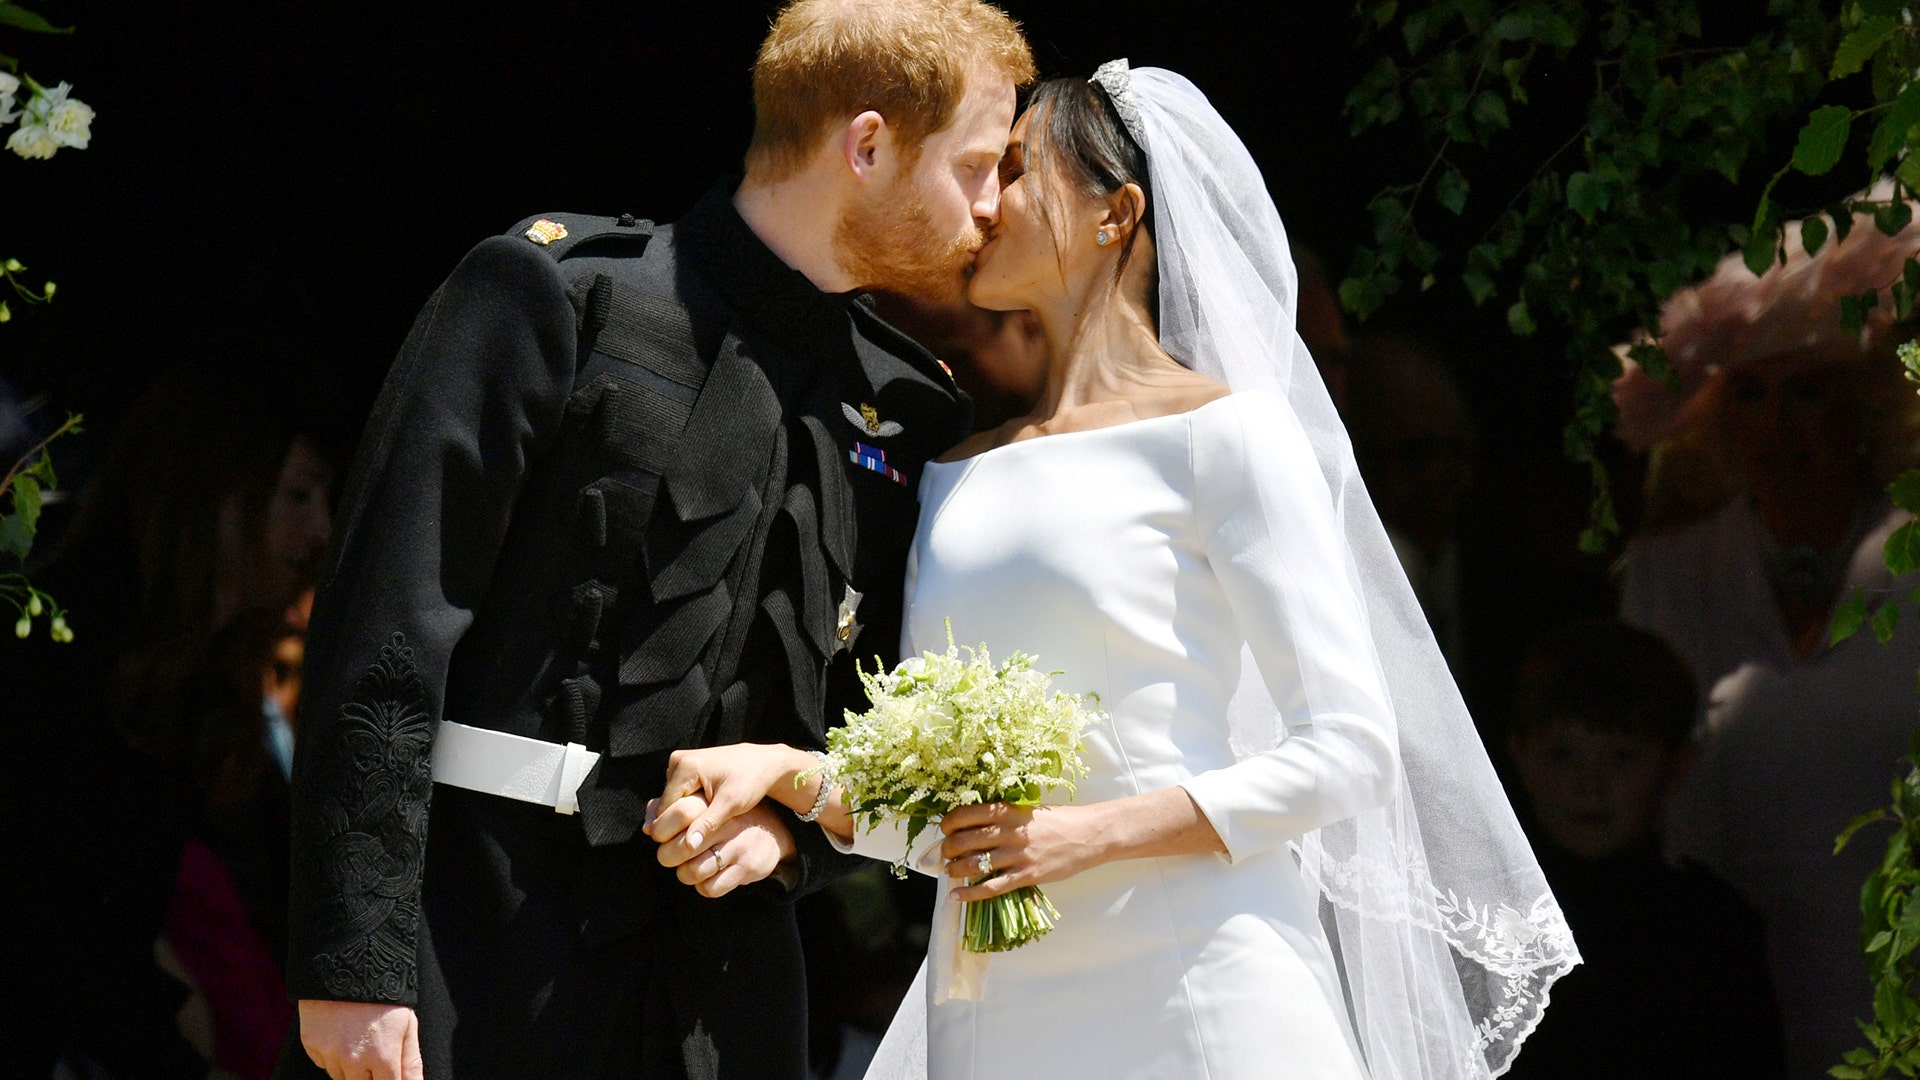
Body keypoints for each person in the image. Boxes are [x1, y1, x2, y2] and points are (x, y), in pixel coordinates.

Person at [645, 62, 1575, 1080]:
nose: (983, 205)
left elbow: (1351, 751)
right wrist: (785, 774)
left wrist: (1086, 835)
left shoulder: (1227, 437)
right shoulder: (954, 472)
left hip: (1203, 987)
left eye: (1013, 173)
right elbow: (950, 828)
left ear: (1114, 214)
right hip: (996, 1011)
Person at [279, 3, 1035, 1079]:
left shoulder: (910, 413)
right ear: (866, 146)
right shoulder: (556, 293)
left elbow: (874, 727)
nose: (993, 207)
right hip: (474, 941)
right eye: (973, 167)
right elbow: (387, 631)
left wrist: (793, 839)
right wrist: (352, 963)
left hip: (723, 999)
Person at [1612, 198, 1920, 1077]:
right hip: (1720, 986)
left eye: (1807, 393)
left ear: (1859, 408)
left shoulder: (1913, 552)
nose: (1777, 426)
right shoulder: (1671, 571)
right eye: (1749, 394)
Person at [2, 361, 336, 1080]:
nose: (321, 531)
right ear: (216, 496)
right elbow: (51, 929)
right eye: (299, 495)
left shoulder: (188, 685)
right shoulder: (67, 662)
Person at [1501, 620, 1784, 1080]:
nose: (1589, 786)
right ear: (1520, 757)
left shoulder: (1712, 929)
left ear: (1675, 767)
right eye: (1562, 754)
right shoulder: (1484, 922)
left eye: (1620, 756)